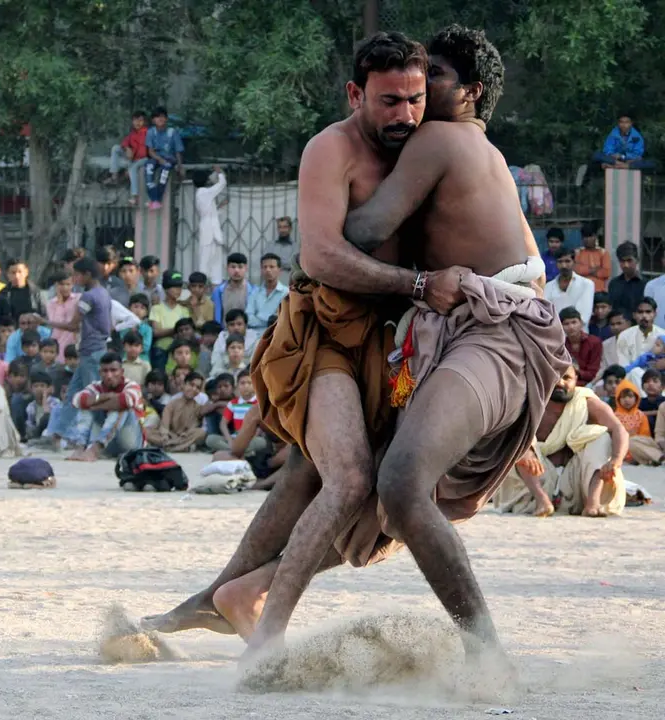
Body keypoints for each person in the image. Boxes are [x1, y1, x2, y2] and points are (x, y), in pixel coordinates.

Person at [147, 28, 568, 666]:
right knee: (343, 478)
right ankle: (257, 626)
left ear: (461, 93)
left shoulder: (437, 141)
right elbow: (323, 253)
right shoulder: (337, 147)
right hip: (332, 328)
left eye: (419, 94)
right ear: (356, 94)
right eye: (391, 100)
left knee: (364, 485)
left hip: (414, 337)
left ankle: (237, 596)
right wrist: (422, 282)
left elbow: (507, 256)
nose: (407, 112)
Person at [496, 364, 628, 517]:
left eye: (566, 378)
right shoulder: (529, 402)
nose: (560, 382)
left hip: (575, 484)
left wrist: (616, 461)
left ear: (576, 380)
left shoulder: (585, 401)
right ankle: (542, 501)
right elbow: (503, 435)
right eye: (555, 376)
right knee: (519, 442)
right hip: (537, 480)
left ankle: (593, 502)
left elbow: (619, 429)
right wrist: (524, 453)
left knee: (600, 436)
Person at [44, 257, 112, 446]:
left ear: (87, 275)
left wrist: (45, 322)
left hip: (91, 352)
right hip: (93, 350)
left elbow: (73, 326)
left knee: (94, 398)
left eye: (76, 275)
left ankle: (103, 438)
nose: (74, 279)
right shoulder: (104, 293)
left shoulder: (88, 297)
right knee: (73, 395)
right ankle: (57, 435)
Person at [67, 353, 144, 461]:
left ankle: (94, 450)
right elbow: (77, 400)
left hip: (131, 443)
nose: (109, 375)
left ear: (122, 372)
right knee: (85, 407)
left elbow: (124, 401)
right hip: (108, 443)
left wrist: (95, 403)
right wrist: (107, 396)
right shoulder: (96, 386)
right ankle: (80, 447)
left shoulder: (131, 385)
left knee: (121, 407)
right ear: (100, 373)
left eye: (113, 370)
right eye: (105, 371)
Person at [146, 371, 211, 452]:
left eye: (197, 387)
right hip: (171, 435)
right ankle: (182, 447)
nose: (194, 389)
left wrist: (186, 434)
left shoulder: (198, 406)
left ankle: (170, 446)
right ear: (184, 384)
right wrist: (165, 435)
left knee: (201, 433)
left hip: (186, 436)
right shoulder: (172, 402)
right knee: (147, 432)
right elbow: (165, 424)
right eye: (191, 385)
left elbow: (196, 425)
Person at [612, 379, 662, 466]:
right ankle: (653, 459)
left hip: (639, 443)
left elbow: (646, 436)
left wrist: (635, 437)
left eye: (630, 397)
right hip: (623, 447)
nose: (627, 400)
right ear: (618, 399)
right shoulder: (614, 417)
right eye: (623, 397)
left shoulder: (641, 415)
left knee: (638, 441)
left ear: (636, 398)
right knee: (626, 442)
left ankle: (656, 458)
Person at [148, 270, 191, 369]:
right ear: (166, 289)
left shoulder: (184, 310)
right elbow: (156, 332)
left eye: (180, 287)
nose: (178, 290)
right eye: (174, 287)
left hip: (180, 352)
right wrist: (176, 329)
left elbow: (187, 331)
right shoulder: (157, 308)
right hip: (161, 350)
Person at [144, 107, 184, 210]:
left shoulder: (172, 132)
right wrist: (160, 160)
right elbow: (150, 152)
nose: (160, 119)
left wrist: (180, 166)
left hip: (169, 158)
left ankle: (157, 200)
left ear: (166, 119)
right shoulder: (151, 132)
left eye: (162, 116)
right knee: (149, 168)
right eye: (157, 117)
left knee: (165, 171)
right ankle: (154, 199)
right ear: (153, 120)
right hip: (156, 157)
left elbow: (178, 151)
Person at [615, 298, 665, 380]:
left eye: (648, 312)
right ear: (634, 315)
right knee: (635, 372)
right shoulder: (624, 336)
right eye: (640, 312)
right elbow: (623, 366)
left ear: (655, 314)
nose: (644, 316)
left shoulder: (663, 334)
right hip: (632, 377)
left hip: (659, 378)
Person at [107, 110, 149, 204]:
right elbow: (125, 142)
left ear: (144, 122)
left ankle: (135, 196)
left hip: (144, 158)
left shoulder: (147, 132)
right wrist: (126, 148)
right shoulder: (133, 133)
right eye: (135, 120)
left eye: (140, 120)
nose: (137, 123)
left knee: (132, 168)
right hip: (132, 157)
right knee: (115, 148)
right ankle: (114, 174)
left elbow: (142, 152)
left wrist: (130, 160)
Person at [544, 248, 595, 325]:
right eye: (560, 262)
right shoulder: (548, 287)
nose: (563, 265)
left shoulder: (587, 284)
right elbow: (547, 313)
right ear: (556, 263)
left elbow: (584, 315)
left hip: (580, 333)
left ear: (574, 262)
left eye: (567, 261)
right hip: (556, 332)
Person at [196, 166, 228, 283]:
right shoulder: (204, 192)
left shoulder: (202, 194)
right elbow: (222, 184)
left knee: (214, 265)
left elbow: (211, 213)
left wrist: (220, 206)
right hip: (209, 232)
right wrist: (219, 173)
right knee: (205, 263)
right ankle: (202, 286)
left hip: (212, 232)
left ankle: (213, 288)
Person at [0, 259, 46, 324]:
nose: (17, 276)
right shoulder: (3, 294)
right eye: (13, 273)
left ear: (26, 272)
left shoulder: (36, 292)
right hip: (11, 331)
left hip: (33, 331)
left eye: (20, 272)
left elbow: (44, 316)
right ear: (8, 274)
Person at [211, 253, 257, 326]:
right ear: (227, 268)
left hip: (247, 333)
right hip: (224, 333)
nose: (236, 270)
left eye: (240, 267)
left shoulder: (254, 291)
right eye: (233, 267)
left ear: (246, 268)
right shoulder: (219, 291)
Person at [559, 307, 602, 384]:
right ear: (561, 326)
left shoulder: (594, 342)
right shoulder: (560, 344)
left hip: (591, 383)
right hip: (566, 383)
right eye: (566, 324)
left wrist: (577, 370)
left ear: (581, 323)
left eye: (574, 322)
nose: (571, 327)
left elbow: (593, 373)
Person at [246, 254, 289, 329]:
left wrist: (259, 318)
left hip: (277, 336)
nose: (268, 270)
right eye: (264, 267)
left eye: (272, 267)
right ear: (261, 270)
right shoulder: (255, 292)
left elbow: (283, 319)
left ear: (279, 270)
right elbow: (248, 317)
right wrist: (269, 321)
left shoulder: (286, 293)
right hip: (254, 336)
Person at [46, 268, 80, 357]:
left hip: (74, 340)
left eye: (68, 284)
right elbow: (55, 322)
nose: (65, 288)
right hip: (58, 341)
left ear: (72, 285)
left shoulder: (78, 299)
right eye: (61, 284)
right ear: (56, 285)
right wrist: (60, 302)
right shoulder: (51, 303)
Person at [607, 241, 646, 319]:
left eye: (629, 260)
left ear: (637, 260)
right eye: (622, 261)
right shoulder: (614, 284)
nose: (626, 265)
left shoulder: (645, 284)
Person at [574, 224, 611, 293]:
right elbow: (576, 271)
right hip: (581, 291)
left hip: (599, 291)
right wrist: (594, 269)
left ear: (596, 236)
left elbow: (606, 273)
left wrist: (585, 271)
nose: (587, 239)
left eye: (590, 236)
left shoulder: (603, 253)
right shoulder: (578, 252)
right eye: (585, 237)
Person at [265, 216, 298, 285]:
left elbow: (294, 264)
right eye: (280, 227)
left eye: (285, 227)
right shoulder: (270, 245)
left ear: (290, 228)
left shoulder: (296, 247)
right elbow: (266, 262)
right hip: (272, 283)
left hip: (289, 283)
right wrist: (286, 265)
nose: (282, 230)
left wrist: (275, 263)